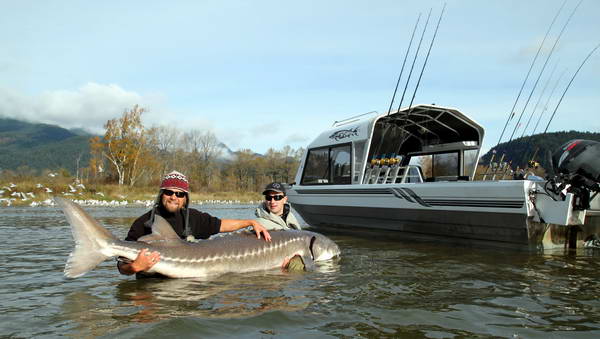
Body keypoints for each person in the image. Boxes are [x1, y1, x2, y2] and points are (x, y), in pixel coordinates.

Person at [118, 170, 271, 278]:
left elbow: (221, 225)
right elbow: (121, 266)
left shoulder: (193, 217)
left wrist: (250, 222)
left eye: (179, 194)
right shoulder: (142, 223)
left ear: (185, 198)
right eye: (169, 192)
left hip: (184, 285)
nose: (173, 197)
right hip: (151, 287)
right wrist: (134, 267)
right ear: (161, 194)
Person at [255, 182, 305, 271]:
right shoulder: (259, 224)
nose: (272, 201)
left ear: (285, 199)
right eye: (269, 198)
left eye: (277, 197)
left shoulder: (291, 217)